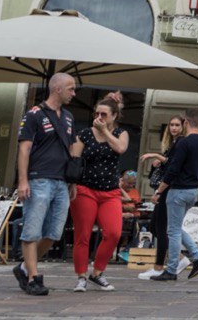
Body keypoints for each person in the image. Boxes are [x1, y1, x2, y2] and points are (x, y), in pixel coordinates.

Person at [15, 72, 78, 296]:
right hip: (39, 178)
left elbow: (70, 149)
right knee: (32, 230)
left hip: (61, 181)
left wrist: (72, 181)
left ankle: (23, 267)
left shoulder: (69, 117)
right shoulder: (34, 114)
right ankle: (33, 277)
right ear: (57, 89)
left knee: (54, 233)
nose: (74, 93)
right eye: (71, 88)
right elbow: (24, 148)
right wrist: (23, 180)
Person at [70, 98, 129, 292]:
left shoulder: (121, 133)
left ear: (114, 116)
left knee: (113, 233)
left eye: (104, 114)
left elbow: (120, 149)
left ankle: (97, 273)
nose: (99, 117)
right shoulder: (85, 134)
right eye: (97, 113)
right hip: (85, 189)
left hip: (110, 192)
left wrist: (104, 131)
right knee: (83, 235)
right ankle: (81, 276)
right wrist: (71, 184)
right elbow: (75, 160)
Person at [150, 107, 198, 282]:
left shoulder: (183, 143)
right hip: (193, 191)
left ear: (185, 122)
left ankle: (171, 270)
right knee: (175, 227)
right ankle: (197, 256)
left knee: (173, 231)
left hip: (177, 190)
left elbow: (172, 170)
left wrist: (159, 191)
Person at [138, 115, 189, 280]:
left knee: (161, 228)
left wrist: (156, 156)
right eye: (171, 125)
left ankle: (159, 267)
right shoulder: (172, 144)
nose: (173, 128)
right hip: (165, 187)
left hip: (169, 189)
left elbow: (174, 166)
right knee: (154, 227)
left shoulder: (181, 142)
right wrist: (157, 163)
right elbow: (167, 166)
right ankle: (180, 258)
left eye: (176, 125)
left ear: (182, 127)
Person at [119, 170, 142, 259]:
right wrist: (125, 208)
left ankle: (128, 250)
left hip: (134, 216)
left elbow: (136, 204)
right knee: (137, 227)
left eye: (133, 183)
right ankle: (126, 251)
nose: (131, 186)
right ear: (122, 181)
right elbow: (127, 201)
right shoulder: (116, 190)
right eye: (129, 183)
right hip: (122, 217)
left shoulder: (134, 191)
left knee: (146, 225)